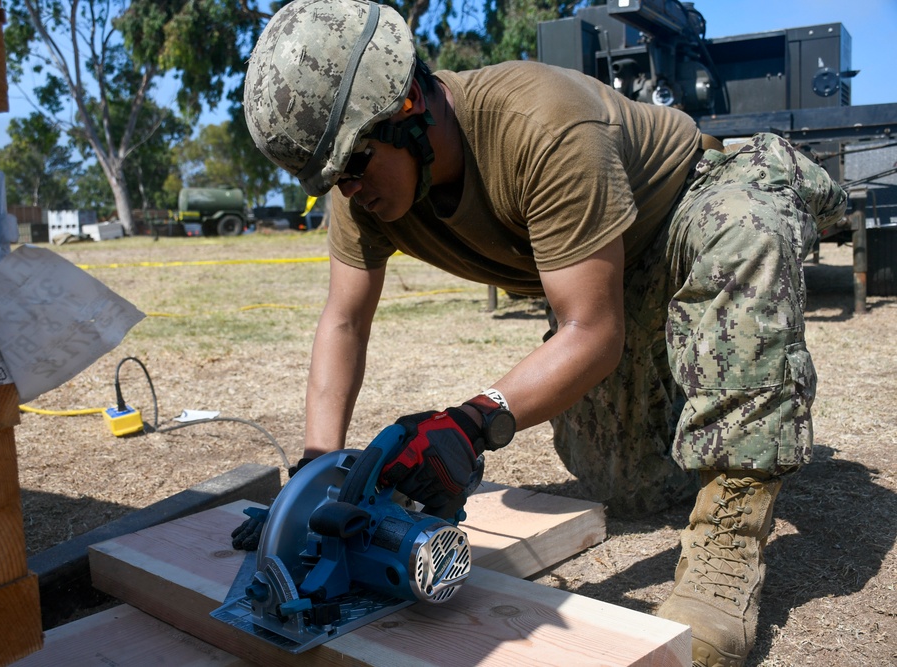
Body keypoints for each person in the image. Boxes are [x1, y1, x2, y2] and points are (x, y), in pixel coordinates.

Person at [240, 1, 847, 665]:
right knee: (632, 490)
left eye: (355, 167)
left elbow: (593, 329)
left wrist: (471, 421)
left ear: (408, 106)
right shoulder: (362, 188)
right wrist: (315, 480)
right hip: (608, 273)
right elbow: (344, 319)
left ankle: (726, 548)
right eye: (334, 180)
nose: (349, 191)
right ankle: (705, 425)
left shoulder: (541, 124)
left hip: (684, 214)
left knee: (743, 234)